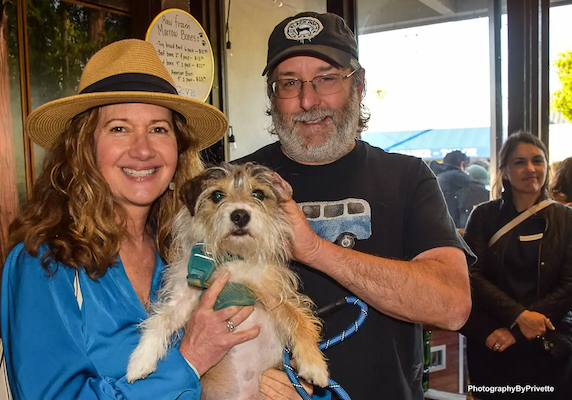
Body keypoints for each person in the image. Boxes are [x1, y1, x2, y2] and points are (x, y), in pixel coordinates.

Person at [0, 39, 307, 400]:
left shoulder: (181, 251)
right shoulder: (45, 262)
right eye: (119, 128)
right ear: (84, 146)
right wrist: (190, 359)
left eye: (159, 129)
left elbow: (253, 350)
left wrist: (285, 381)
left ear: (178, 146)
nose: (143, 149)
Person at [235, 11, 473, 400]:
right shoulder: (234, 186)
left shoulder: (407, 177)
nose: (308, 100)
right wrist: (245, 375)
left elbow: (451, 306)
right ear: (272, 95)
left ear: (359, 84)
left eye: (327, 78)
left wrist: (315, 250)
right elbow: (196, 301)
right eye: (289, 83)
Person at [460, 132, 572, 399]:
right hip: (492, 340)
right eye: (520, 162)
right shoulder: (484, 215)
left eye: (538, 161)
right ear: (505, 171)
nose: (531, 169)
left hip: (549, 343)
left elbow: (569, 285)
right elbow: (471, 276)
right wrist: (518, 319)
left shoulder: (566, 219)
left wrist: (519, 332)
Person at [432, 151, 490, 228]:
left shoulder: (439, 177)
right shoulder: (457, 176)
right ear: (462, 164)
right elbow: (483, 193)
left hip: (441, 224)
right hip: (455, 226)